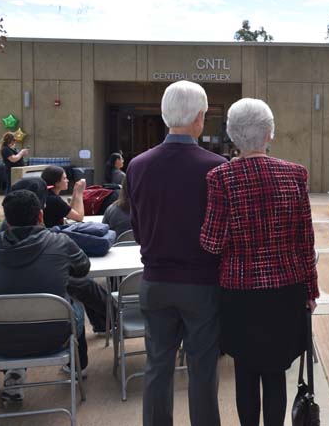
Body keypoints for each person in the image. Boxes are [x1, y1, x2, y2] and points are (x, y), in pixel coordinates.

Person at [200, 97, 318, 426]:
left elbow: (212, 243)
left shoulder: (220, 178)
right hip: (285, 290)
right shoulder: (295, 175)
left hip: (240, 292)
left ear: (233, 137)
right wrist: (311, 292)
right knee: (276, 371)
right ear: (269, 134)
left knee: (245, 370)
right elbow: (305, 241)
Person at [126, 80, 225, 426]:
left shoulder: (137, 165)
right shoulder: (216, 166)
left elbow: (136, 225)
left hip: (155, 279)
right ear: (200, 118)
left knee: (157, 366)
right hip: (201, 283)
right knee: (202, 369)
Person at [0, 190, 92, 401]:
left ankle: (14, 373)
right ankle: (78, 367)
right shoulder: (61, 242)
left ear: (6, 220)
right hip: (56, 336)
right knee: (74, 303)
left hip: (2, 339)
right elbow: (83, 268)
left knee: (17, 312)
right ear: (40, 215)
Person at [0, 177, 109, 334]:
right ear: (40, 213)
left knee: (83, 285)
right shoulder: (58, 241)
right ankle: (112, 319)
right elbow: (82, 267)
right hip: (55, 327)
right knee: (81, 287)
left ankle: (108, 320)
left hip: (4, 332)